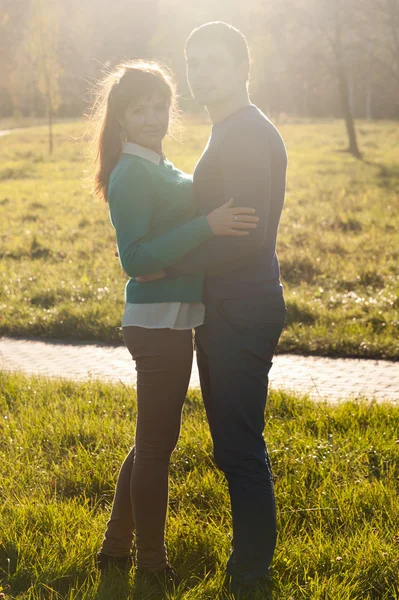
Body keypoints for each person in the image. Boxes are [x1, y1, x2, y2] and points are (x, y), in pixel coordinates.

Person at [89, 60, 259, 585]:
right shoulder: (131, 172)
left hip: (173, 318)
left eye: (159, 105)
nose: (152, 116)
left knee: (151, 442)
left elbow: (166, 244)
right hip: (156, 323)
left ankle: (115, 550)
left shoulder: (157, 165)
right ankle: (151, 567)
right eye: (138, 108)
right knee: (157, 450)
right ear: (120, 118)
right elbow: (137, 259)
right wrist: (207, 225)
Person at [137, 22, 288, 595]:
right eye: (193, 62)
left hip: (240, 308)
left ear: (242, 67)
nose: (201, 72)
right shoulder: (232, 128)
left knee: (239, 449)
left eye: (214, 61)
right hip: (233, 305)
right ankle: (248, 570)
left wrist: (170, 263)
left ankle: (249, 576)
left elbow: (245, 236)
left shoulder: (245, 133)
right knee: (236, 446)